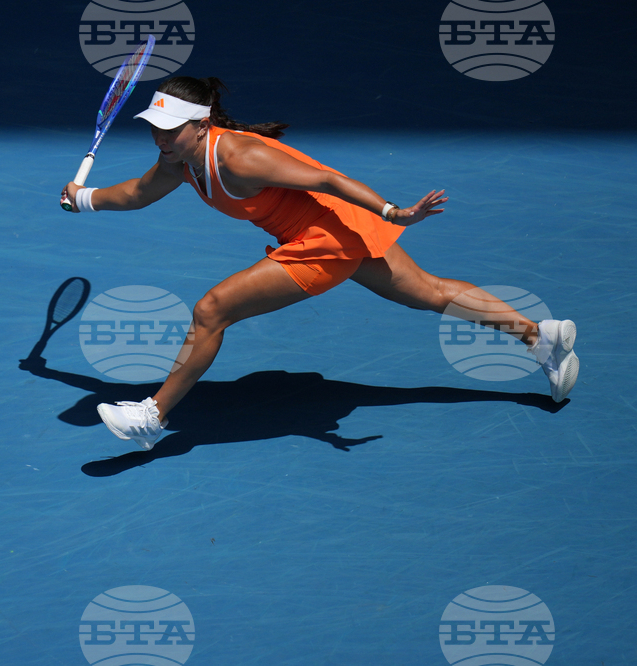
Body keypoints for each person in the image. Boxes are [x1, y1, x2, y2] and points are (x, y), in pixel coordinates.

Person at [60, 76, 579, 451]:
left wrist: (393, 211)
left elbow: (326, 179)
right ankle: (539, 337)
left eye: (171, 129)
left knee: (211, 310)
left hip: (327, 238)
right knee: (432, 292)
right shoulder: (180, 160)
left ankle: (153, 417)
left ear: (201, 126)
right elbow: (136, 193)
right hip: (338, 231)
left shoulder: (239, 158)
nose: (160, 138)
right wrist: (85, 198)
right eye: (155, 127)